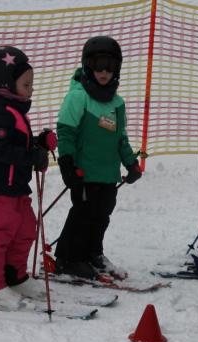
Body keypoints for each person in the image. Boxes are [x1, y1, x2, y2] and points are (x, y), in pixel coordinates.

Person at [0, 46, 57, 307]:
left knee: (25, 229)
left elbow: (19, 142)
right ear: (6, 85)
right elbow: (2, 150)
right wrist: (32, 155)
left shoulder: (13, 109)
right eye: (26, 84)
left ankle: (14, 276)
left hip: (16, 186)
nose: (31, 89)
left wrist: (39, 143)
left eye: (32, 83)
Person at [53, 36, 141, 280]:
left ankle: (93, 253)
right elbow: (66, 132)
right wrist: (67, 162)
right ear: (87, 65)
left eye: (109, 66)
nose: (103, 72)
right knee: (83, 214)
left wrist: (131, 163)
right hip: (84, 171)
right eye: (97, 65)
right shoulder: (78, 97)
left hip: (108, 173)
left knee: (102, 215)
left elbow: (121, 138)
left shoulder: (117, 103)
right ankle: (69, 258)